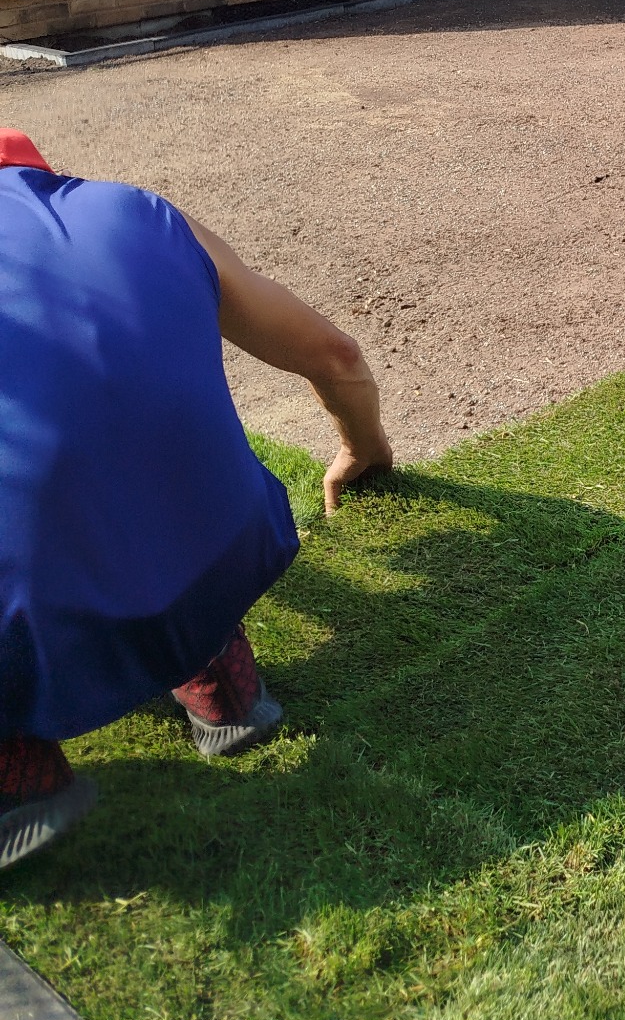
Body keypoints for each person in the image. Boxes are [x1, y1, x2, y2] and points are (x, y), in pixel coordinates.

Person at [0, 129, 392, 872]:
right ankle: (215, 671)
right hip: (231, 547)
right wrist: (365, 452)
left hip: (36, 617)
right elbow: (334, 353)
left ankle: (18, 773)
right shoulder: (139, 210)